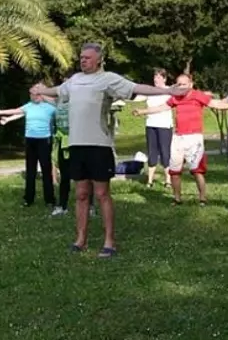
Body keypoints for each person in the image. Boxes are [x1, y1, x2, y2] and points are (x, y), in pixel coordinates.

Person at [30, 44, 187, 257]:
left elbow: (137, 88)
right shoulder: (74, 80)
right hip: (77, 145)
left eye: (87, 58)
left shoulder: (108, 79)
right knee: (81, 194)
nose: (83, 60)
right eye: (81, 57)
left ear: (98, 60)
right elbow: (58, 91)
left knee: (102, 194)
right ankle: (81, 239)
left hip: (99, 145)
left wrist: (168, 90)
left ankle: (109, 241)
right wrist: (41, 90)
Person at [133, 72, 228, 205]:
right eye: (179, 84)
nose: (181, 87)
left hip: (194, 138)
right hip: (178, 137)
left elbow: (215, 104)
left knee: (197, 171)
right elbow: (162, 107)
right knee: (174, 171)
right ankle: (177, 198)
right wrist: (142, 112)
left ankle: (202, 198)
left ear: (191, 84)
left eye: (184, 84)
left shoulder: (197, 95)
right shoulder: (176, 97)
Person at [0, 91, 58, 209]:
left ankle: (50, 199)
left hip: (44, 140)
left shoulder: (50, 107)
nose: (33, 96)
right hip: (30, 140)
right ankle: (28, 199)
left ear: (41, 95)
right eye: (31, 94)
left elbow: (63, 109)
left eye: (35, 94)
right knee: (30, 171)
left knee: (46, 170)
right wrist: (3, 114)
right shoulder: (28, 106)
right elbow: (16, 111)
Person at [134, 69, 174, 188]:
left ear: (164, 79)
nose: (156, 79)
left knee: (165, 152)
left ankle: (168, 180)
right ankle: (150, 181)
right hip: (151, 125)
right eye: (155, 77)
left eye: (159, 77)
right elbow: (136, 97)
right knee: (152, 152)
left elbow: (165, 107)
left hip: (165, 126)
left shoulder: (169, 91)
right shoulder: (150, 92)